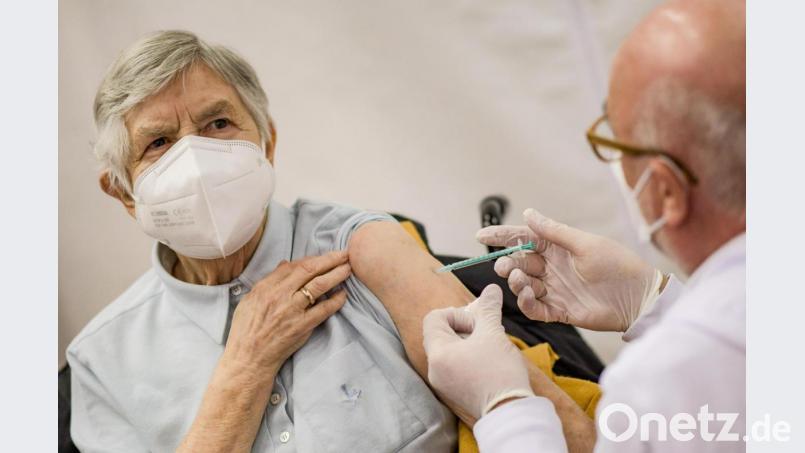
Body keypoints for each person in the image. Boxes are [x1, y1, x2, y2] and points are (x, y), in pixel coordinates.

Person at [67, 30, 486, 452]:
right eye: (159, 143)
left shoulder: (360, 248)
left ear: (267, 143)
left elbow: (521, 410)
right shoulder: (101, 362)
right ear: (124, 193)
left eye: (218, 123)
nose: (195, 162)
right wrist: (246, 364)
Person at [422, 0, 746, 451]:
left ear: (667, 191)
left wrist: (503, 406)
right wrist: (653, 303)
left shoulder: (659, 385)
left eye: (610, 141)